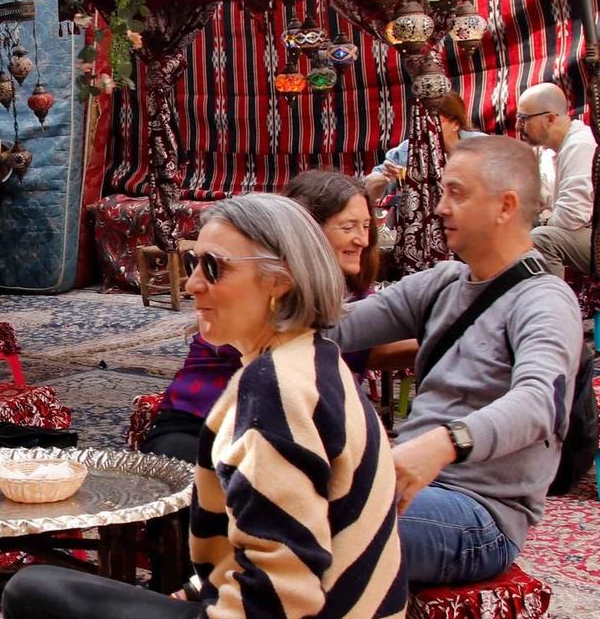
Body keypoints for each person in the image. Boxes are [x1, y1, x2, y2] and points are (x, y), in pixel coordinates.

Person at [2, 193, 406, 619]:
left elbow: (278, 593)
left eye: (212, 268)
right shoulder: (314, 359)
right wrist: (195, 595)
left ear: (279, 280)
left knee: (34, 596)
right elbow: (294, 542)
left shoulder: (274, 390)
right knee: (89, 597)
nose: (192, 284)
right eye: (193, 265)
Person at [331, 135, 582, 588]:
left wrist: (443, 444)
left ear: (506, 206)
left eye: (456, 193)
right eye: (444, 191)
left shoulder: (544, 300)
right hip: (414, 485)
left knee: (323, 528)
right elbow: (337, 328)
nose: (440, 207)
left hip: (479, 514)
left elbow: (540, 402)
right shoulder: (444, 283)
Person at [140, 171, 404, 463]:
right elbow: (367, 348)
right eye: (348, 226)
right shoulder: (260, 303)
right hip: (202, 424)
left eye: (366, 226)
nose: (362, 240)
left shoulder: (349, 298)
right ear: (304, 231)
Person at [516, 82, 600, 280]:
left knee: (541, 238)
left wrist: (543, 219)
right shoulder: (553, 153)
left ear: (549, 119)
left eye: (523, 119)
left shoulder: (579, 145)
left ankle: (554, 307)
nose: (518, 126)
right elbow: (543, 204)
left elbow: (570, 217)